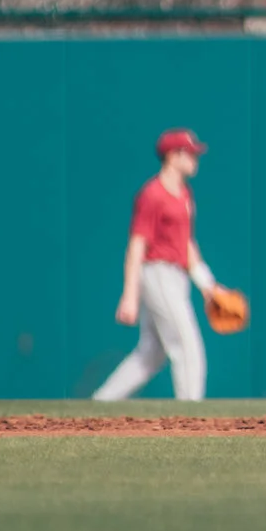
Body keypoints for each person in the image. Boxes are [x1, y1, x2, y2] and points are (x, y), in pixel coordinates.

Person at [93, 129, 231, 403]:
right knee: (187, 346)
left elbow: (187, 243)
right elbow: (136, 246)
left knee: (150, 354)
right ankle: (192, 415)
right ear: (172, 155)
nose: (195, 159)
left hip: (177, 275)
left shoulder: (184, 194)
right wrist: (130, 295)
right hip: (157, 272)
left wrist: (208, 284)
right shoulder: (152, 194)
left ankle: (102, 403)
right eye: (190, 153)